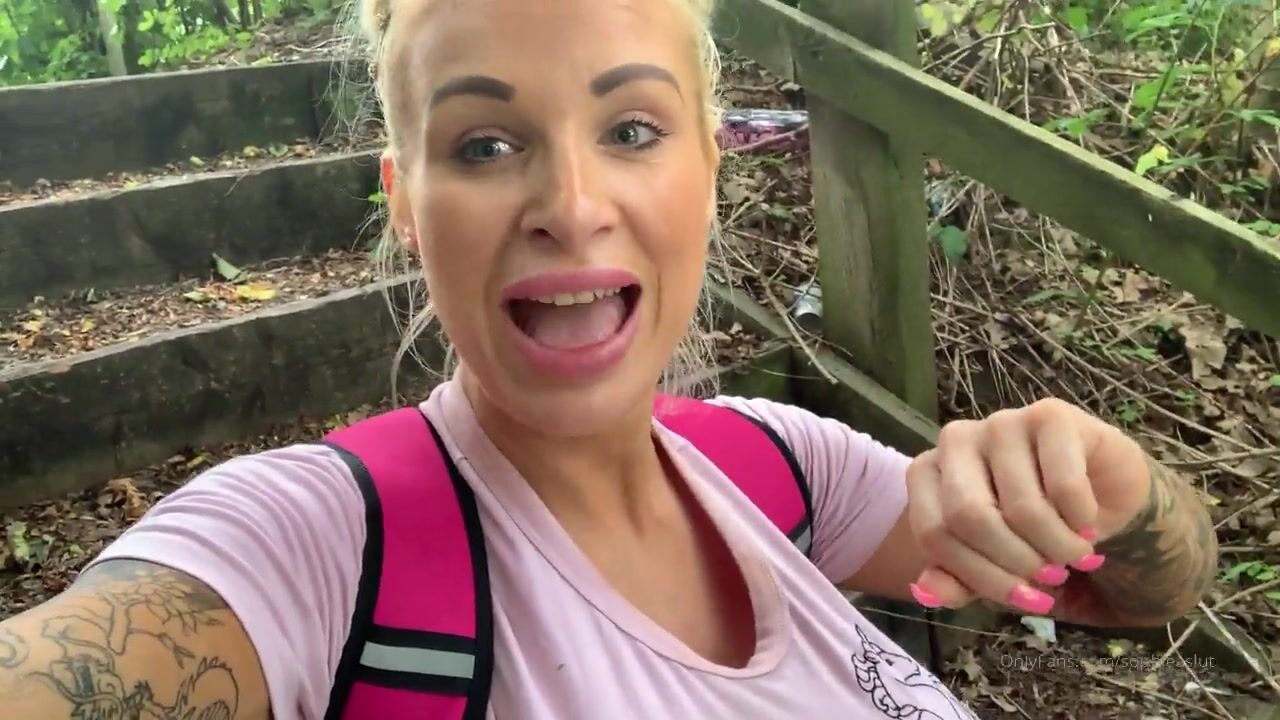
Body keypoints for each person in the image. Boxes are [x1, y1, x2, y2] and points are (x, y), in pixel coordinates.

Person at [0, 0, 1218, 718]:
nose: (571, 206)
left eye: (631, 129)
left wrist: (1110, 493)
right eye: (483, 146)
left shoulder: (778, 466)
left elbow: (1137, 593)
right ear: (405, 203)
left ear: (709, 169)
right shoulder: (315, 548)